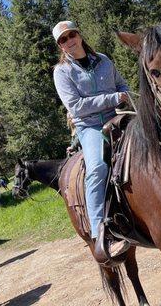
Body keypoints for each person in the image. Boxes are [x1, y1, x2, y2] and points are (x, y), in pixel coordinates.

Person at [52, 20, 130, 258]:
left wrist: (124, 97)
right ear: (60, 46)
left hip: (119, 115)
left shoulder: (104, 60)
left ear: (79, 34)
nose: (69, 41)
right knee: (97, 167)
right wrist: (114, 98)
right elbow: (75, 106)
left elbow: (121, 84)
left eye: (71, 34)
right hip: (91, 126)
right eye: (63, 39)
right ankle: (101, 232)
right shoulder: (62, 72)